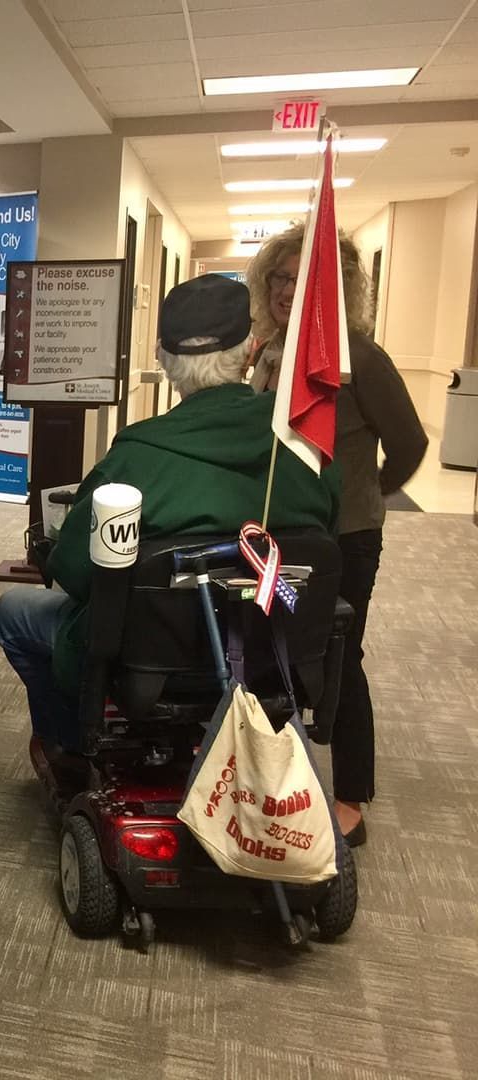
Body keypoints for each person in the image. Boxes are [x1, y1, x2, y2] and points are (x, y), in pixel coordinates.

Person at [0, 275, 340, 758]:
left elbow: (73, 571)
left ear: (162, 357)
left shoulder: (135, 456)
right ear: (251, 350)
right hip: (277, 654)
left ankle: (68, 747)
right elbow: (329, 540)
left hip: (146, 665)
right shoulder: (304, 447)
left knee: (14, 611)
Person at [247, 225, 428, 846]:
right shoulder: (270, 352)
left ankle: (350, 796)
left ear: (334, 289)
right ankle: (267, 778)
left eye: (302, 280)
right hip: (278, 536)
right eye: (279, 276)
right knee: (268, 649)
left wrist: (365, 492)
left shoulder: (360, 358)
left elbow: (410, 444)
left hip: (345, 538)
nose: (286, 289)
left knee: (338, 655)